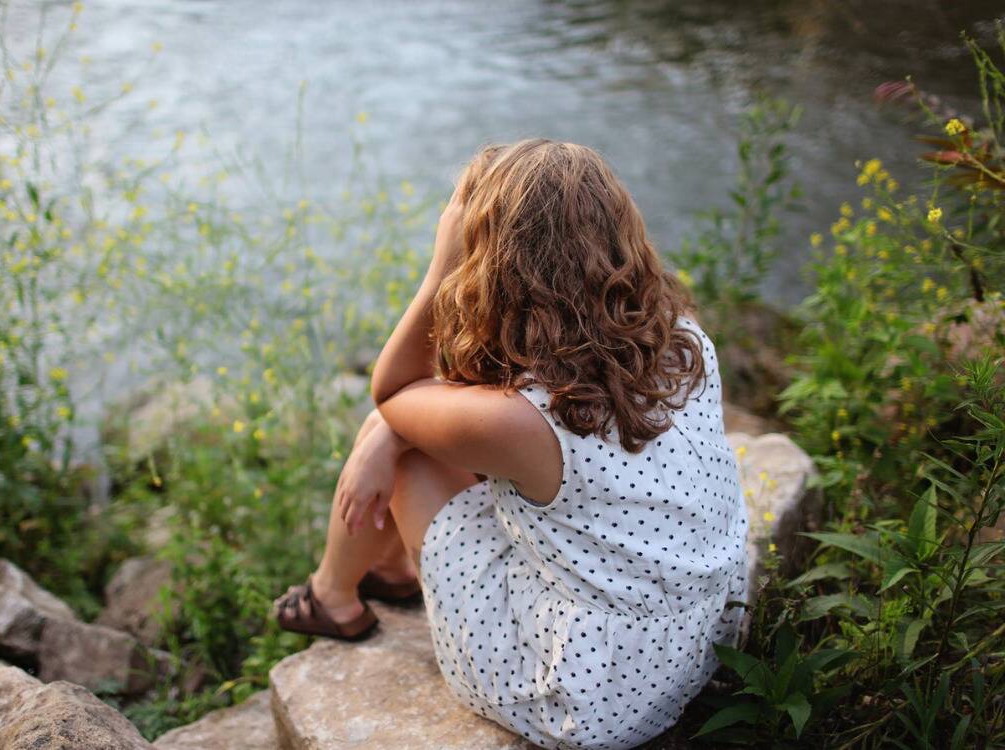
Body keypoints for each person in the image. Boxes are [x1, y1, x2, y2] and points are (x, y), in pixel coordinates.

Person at [273, 139, 749, 750]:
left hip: (587, 698)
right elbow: (465, 403)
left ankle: (333, 597)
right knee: (409, 428)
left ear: (493, 258)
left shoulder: (524, 423)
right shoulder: (682, 340)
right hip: (696, 642)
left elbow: (393, 390)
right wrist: (398, 423)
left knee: (401, 443)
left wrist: (441, 263)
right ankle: (388, 571)